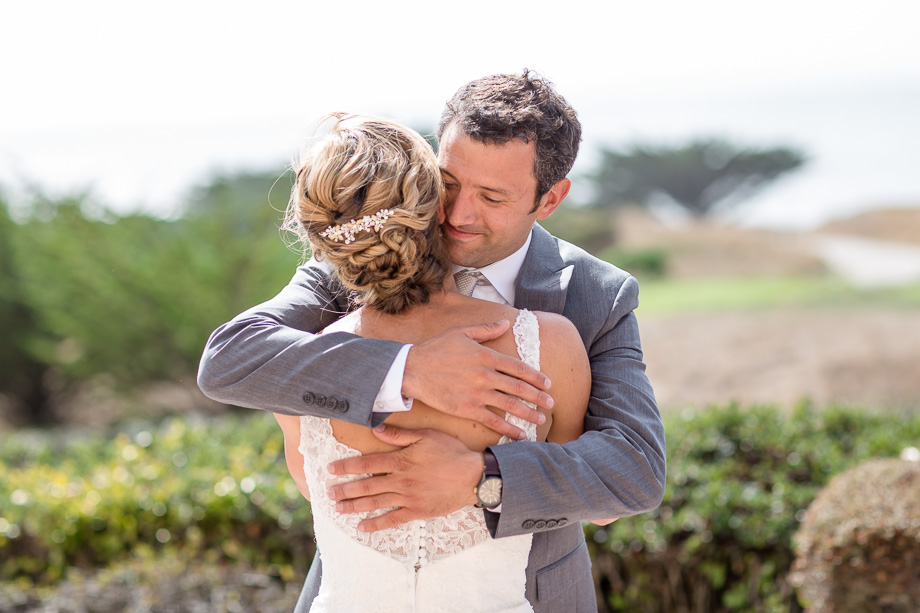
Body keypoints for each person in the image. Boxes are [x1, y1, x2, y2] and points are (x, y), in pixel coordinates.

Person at [198, 70, 666, 613]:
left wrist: (484, 478)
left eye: (492, 197)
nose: (458, 215)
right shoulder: (350, 266)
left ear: (550, 199)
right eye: (447, 184)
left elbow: (634, 470)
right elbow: (229, 359)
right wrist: (407, 370)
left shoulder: (594, 294)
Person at [273, 111, 593, 611]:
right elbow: (580, 499)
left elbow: (320, 496)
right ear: (433, 207)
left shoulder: (298, 365)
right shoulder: (547, 343)